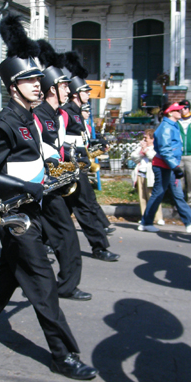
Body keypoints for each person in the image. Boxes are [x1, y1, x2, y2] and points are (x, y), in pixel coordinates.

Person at [0, 13, 98, 380]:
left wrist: (50, 172)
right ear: (13, 87)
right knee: (43, 284)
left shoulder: (30, 118)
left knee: (6, 278)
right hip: (19, 217)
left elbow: (30, 160)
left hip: (38, 206)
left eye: (37, 78)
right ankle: (63, 355)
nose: (37, 84)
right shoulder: (4, 122)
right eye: (28, 80)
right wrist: (22, 187)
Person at [34, 40, 90, 301]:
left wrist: (73, 152)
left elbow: (58, 142)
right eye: (65, 85)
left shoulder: (56, 114)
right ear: (52, 90)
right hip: (43, 186)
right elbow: (38, 146)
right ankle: (66, 285)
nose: (69, 89)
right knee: (67, 237)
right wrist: (55, 159)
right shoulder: (37, 115)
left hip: (57, 182)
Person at [61, 51, 119, 262]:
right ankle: (99, 247)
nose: (88, 93)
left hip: (79, 163)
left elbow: (79, 139)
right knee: (84, 207)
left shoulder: (77, 111)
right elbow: (62, 142)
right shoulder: (66, 111)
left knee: (65, 209)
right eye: (86, 90)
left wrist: (96, 145)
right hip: (70, 166)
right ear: (76, 92)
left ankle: (46, 242)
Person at [138, 102, 191, 233]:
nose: (181, 112)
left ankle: (190, 222)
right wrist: (175, 167)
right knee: (159, 194)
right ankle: (146, 222)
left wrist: (174, 166)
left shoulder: (172, 125)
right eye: (178, 110)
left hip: (168, 165)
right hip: (164, 166)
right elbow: (165, 150)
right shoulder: (166, 127)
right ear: (170, 113)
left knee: (176, 194)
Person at [130, 129, 163, 225]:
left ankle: (158, 217)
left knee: (152, 196)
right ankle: (145, 217)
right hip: (141, 174)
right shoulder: (141, 148)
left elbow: (153, 157)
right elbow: (134, 157)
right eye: (143, 138)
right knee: (142, 198)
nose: (144, 140)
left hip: (150, 176)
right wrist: (141, 151)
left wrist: (145, 150)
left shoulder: (155, 148)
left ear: (152, 139)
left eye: (146, 138)